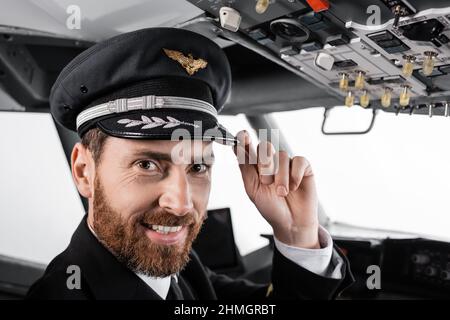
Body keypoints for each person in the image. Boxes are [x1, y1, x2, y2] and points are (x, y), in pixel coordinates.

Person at [26, 27, 353, 300]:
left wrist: (297, 234)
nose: (181, 204)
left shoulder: (182, 269)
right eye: (147, 165)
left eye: (197, 167)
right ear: (84, 171)